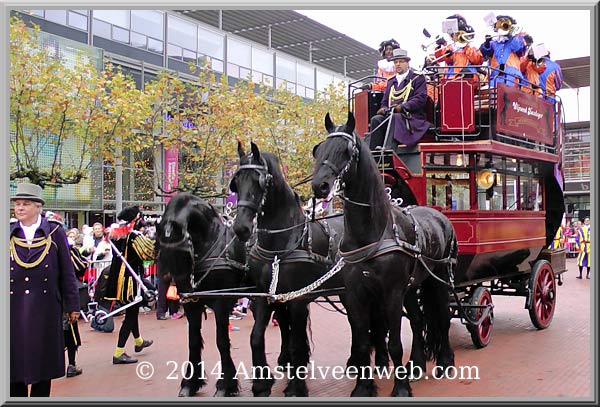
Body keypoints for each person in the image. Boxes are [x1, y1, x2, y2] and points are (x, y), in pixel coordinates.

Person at [10, 182, 80, 397]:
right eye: (17, 204)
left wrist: (72, 305)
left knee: (42, 365)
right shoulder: (9, 233)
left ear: (38, 206)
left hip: (46, 307)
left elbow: (67, 272)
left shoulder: (55, 232)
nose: (19, 208)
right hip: (13, 307)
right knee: (13, 366)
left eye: (25, 204)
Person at [104, 206, 156, 364]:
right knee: (131, 316)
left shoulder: (117, 236)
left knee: (132, 313)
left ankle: (139, 341)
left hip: (121, 278)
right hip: (130, 281)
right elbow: (149, 253)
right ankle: (119, 352)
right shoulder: (133, 236)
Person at [368, 47, 430, 150]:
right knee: (376, 120)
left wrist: (402, 107)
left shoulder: (418, 78)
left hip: (411, 116)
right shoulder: (391, 81)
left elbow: (420, 98)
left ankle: (389, 149)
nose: (398, 64)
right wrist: (383, 108)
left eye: (401, 61)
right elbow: (385, 101)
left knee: (395, 117)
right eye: (395, 62)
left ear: (407, 63)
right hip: (391, 113)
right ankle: (374, 152)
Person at [479, 15, 528, 87]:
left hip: (512, 76)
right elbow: (485, 54)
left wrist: (510, 35)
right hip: (495, 76)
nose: (504, 27)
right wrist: (486, 43)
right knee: (491, 93)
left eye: (506, 25)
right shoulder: (494, 43)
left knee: (507, 95)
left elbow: (518, 47)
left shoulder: (515, 40)